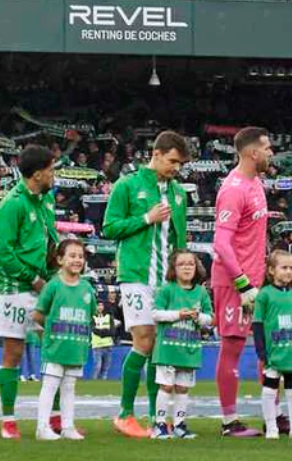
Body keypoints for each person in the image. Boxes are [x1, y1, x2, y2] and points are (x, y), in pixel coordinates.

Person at [102, 129, 190, 436]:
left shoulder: (179, 193)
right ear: (156, 154)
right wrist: (145, 218)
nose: (176, 168)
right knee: (145, 339)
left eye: (180, 164)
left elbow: (180, 240)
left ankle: (156, 417)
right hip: (136, 276)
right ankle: (125, 413)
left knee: (158, 348)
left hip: (165, 282)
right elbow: (109, 228)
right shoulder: (128, 185)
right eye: (173, 161)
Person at [0, 144, 58, 440]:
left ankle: (55, 419)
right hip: (16, 287)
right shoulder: (11, 205)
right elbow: (3, 254)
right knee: (13, 352)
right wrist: (34, 279)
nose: (54, 175)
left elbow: (49, 242)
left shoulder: (46, 201)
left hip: (44, 284)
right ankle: (8, 420)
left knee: (55, 350)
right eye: (51, 170)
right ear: (37, 174)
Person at [212, 126, 273, 437]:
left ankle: (273, 418)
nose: (271, 153)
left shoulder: (256, 182)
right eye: (267, 148)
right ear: (253, 153)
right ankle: (229, 421)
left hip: (257, 281)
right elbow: (221, 244)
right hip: (235, 282)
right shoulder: (234, 188)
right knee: (233, 345)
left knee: (268, 348)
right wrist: (243, 283)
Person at [32, 239, 94, 441]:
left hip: (76, 347)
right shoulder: (53, 286)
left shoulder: (87, 289)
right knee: (50, 386)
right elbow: (38, 315)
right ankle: (42, 427)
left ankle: (68, 427)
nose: (77, 260)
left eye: (81, 256)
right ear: (60, 259)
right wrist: (51, 332)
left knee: (69, 387)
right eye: (72, 255)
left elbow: (89, 315)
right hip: (55, 347)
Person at [252, 251, 292, 439]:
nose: (288, 272)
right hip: (274, 352)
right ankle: (271, 427)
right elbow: (257, 324)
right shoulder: (265, 295)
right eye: (284, 268)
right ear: (271, 270)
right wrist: (261, 351)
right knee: (270, 388)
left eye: (291, 268)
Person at [151, 249, 212, 440]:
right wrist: (179, 314)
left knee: (183, 388)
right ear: (173, 268)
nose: (187, 267)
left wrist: (198, 317)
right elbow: (155, 314)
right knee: (166, 387)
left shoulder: (201, 292)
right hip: (168, 349)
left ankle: (179, 424)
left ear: (197, 268)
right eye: (182, 264)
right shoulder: (166, 289)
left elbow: (210, 318)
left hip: (189, 349)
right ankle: (160, 424)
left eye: (191, 264)